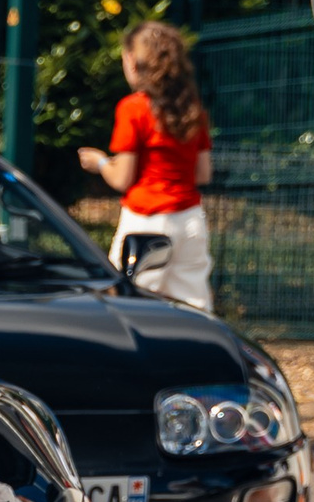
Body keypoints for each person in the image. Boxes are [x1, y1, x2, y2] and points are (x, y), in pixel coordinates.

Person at [78, 22, 215, 308]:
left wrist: (101, 162)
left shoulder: (133, 108)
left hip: (146, 220)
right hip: (189, 219)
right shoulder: (192, 109)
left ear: (133, 61)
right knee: (192, 307)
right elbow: (203, 173)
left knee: (130, 305)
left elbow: (122, 179)